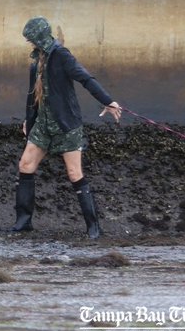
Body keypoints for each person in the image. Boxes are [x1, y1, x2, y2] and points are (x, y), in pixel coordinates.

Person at [11, 17, 122, 239]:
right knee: (25, 165)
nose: (29, 43)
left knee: (74, 172)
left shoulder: (61, 56)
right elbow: (32, 96)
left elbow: (85, 78)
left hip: (66, 124)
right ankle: (23, 222)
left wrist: (108, 101)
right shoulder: (36, 62)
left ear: (40, 37)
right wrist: (29, 121)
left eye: (31, 39)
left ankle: (93, 227)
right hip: (43, 124)